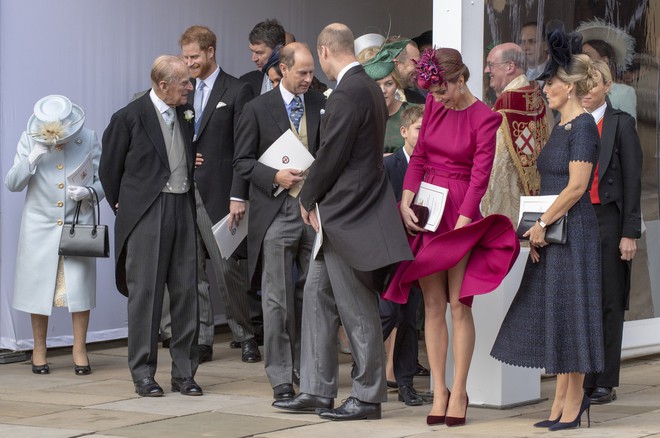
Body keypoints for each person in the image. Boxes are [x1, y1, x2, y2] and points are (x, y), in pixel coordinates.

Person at [273, 23, 412, 421]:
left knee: (356, 306)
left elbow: (333, 153)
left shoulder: (350, 90)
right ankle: (317, 391)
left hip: (348, 213)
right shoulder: (367, 86)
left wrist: (309, 195)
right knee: (317, 297)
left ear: (325, 52)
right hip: (345, 212)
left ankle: (367, 397)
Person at [382, 47, 520, 427]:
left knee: (459, 305)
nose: (437, 99)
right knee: (432, 305)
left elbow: (480, 178)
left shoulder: (486, 118)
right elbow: (421, 156)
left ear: (462, 79)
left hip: (461, 209)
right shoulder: (432, 107)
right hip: (428, 206)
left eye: (443, 91)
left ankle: (459, 389)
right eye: (432, 93)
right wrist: (407, 199)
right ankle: (439, 389)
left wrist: (462, 226)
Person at [491, 29, 604, 431]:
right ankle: (561, 400)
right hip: (555, 234)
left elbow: (577, 187)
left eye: (550, 84)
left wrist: (541, 224)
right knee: (557, 315)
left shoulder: (585, 127)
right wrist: (538, 229)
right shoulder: (560, 127)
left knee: (571, 316)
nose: (545, 90)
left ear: (570, 87)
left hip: (574, 234)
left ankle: (574, 404)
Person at [100, 55, 202, 397]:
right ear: (162, 85)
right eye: (184, 82)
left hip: (183, 206)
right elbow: (109, 170)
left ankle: (185, 373)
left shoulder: (185, 113)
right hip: (148, 211)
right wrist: (127, 207)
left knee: (187, 290)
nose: (190, 87)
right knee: (146, 294)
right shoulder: (128, 117)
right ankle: (143, 373)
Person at [233, 42, 325, 402]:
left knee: (313, 294)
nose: (308, 78)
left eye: (311, 72)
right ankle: (281, 376)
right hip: (275, 213)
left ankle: (310, 368)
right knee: (276, 299)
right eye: (302, 72)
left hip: (314, 210)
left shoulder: (321, 102)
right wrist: (275, 176)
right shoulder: (257, 108)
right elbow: (241, 162)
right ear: (282, 70)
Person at [179, 25, 261, 364]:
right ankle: (202, 339)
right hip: (186, 190)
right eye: (185, 57)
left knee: (228, 268)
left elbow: (245, 146)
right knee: (192, 269)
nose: (189, 63)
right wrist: (188, 152)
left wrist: (238, 193)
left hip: (222, 192)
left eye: (194, 57)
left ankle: (245, 335)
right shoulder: (183, 89)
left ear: (211, 52)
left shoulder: (237, 89)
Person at [5, 95, 104, 376]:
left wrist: (90, 192)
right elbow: (12, 183)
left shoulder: (88, 138)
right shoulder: (29, 139)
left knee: (79, 289)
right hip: (39, 227)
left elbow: (102, 180)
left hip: (77, 224)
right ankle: (39, 349)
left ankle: (79, 349)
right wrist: (32, 157)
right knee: (39, 289)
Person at [582, 60, 642, 405]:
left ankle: (605, 380)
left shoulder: (621, 123)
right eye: (583, 84)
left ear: (607, 87)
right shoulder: (571, 123)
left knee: (608, 300)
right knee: (584, 300)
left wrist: (629, 232)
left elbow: (632, 181)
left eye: (593, 84)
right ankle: (583, 375)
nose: (586, 91)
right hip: (579, 219)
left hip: (609, 219)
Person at [381, 104, 426, 406]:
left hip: (421, 254)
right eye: (420, 129)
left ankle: (406, 382)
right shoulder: (388, 166)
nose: (424, 135)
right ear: (404, 132)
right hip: (391, 253)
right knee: (386, 315)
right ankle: (366, 369)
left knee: (411, 319)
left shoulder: (435, 167)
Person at [481, 42, 552, 223]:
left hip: (508, 211)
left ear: (510, 66)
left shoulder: (505, 106)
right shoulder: (539, 99)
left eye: (491, 65)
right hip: (539, 202)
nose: (486, 70)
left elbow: (495, 164)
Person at [576, 19, 637, 121]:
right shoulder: (575, 88)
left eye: (587, 56)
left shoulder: (624, 92)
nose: (583, 60)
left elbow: (628, 131)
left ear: (604, 60)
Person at [362, 39, 411, 154]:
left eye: (389, 84)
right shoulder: (361, 117)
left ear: (397, 84)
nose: (383, 90)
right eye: (376, 85)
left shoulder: (414, 113)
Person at [240, 19, 285, 97]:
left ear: (278, 50)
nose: (253, 58)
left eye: (259, 53)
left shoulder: (301, 81)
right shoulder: (245, 82)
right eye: (252, 51)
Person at [390, 37, 425, 104]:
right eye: (415, 63)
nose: (420, 69)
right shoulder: (374, 99)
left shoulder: (418, 101)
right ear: (396, 64)